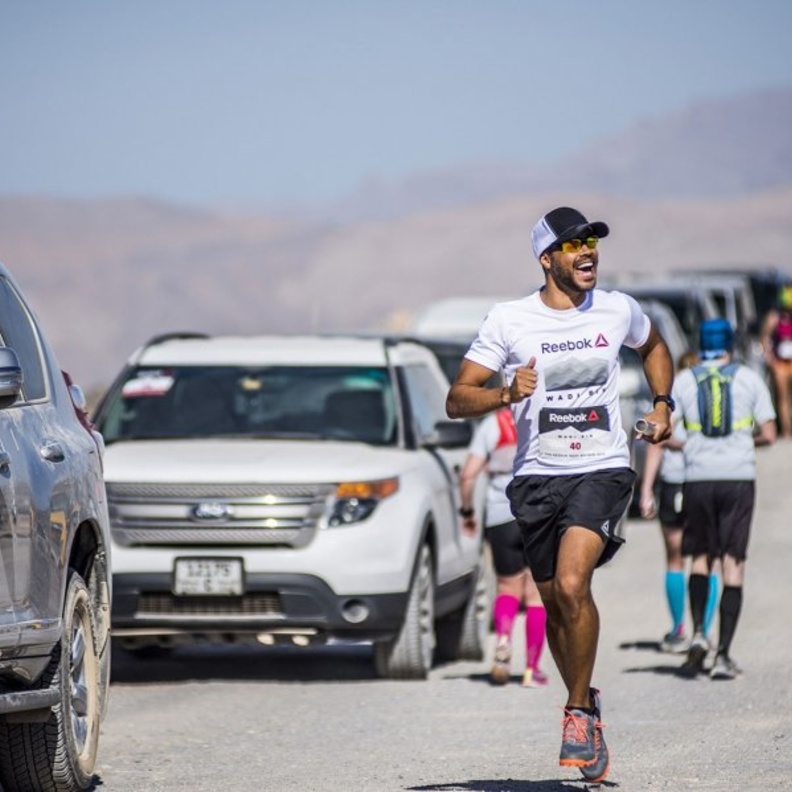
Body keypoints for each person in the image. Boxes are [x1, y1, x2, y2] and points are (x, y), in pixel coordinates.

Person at [446, 206, 674, 783]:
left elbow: (654, 348)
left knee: (574, 583)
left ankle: (577, 712)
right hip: (534, 478)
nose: (588, 250)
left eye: (592, 240)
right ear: (548, 259)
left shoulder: (619, 308)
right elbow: (457, 397)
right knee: (554, 605)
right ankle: (585, 701)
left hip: (602, 468)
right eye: (573, 245)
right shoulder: (509, 320)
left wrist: (663, 404)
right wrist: (503, 392)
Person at [673, 318, 776, 680]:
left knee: (701, 558)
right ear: (730, 345)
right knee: (733, 563)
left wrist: (692, 444)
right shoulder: (748, 378)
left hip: (698, 477)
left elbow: (668, 432)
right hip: (737, 477)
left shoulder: (684, 379)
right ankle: (723, 654)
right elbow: (769, 432)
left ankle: (698, 632)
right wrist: (743, 441)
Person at [458, 407, 548, 688]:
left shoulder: (493, 424)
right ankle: (532, 668)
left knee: (507, 587)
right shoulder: (544, 415)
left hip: (500, 514)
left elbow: (468, 474)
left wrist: (468, 512)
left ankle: (503, 644)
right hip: (538, 513)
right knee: (535, 595)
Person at [639, 351, 721, 653]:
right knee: (707, 560)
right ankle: (703, 630)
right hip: (708, 482)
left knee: (675, 558)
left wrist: (646, 489)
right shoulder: (714, 401)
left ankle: (678, 629)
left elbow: (656, 447)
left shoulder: (670, 403)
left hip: (676, 483)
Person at [759, 284, 792, 438]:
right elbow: (764, 337)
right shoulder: (775, 317)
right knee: (783, 397)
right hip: (780, 363)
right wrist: (770, 358)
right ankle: (786, 430)